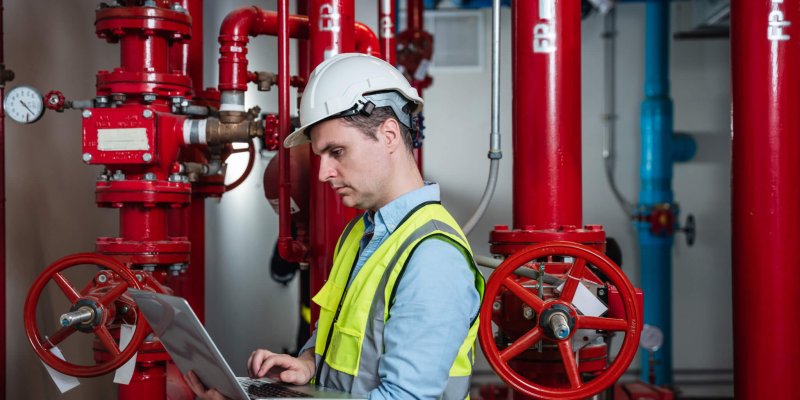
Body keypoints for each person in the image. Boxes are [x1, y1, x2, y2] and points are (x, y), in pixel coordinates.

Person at [186, 53, 484, 400]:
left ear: (389, 136)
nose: (324, 173)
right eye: (321, 156)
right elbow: (346, 337)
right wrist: (310, 364)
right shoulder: (360, 232)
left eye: (337, 151)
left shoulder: (432, 256)